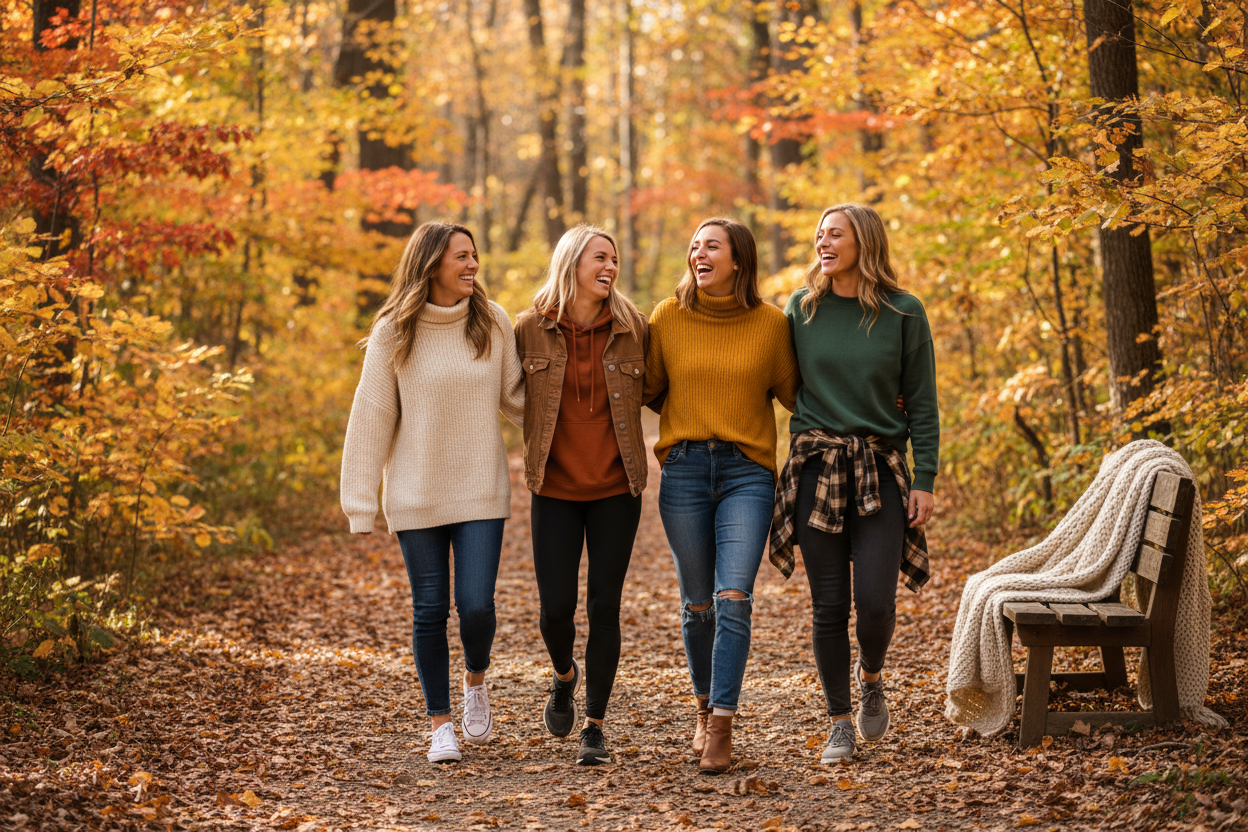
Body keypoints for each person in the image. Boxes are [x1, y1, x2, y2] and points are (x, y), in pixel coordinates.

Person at [340, 221, 524, 764]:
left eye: (474, 255)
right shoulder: (394, 331)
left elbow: (518, 400)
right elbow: (371, 416)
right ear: (430, 265)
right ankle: (440, 723)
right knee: (428, 609)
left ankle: (475, 681)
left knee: (475, 606)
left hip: (479, 490)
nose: (472, 266)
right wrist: (360, 504)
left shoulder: (491, 322)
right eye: (461, 257)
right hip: (415, 492)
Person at [769, 203, 939, 764]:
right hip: (817, 466)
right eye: (819, 233)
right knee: (827, 607)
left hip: (880, 469)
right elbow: (776, 377)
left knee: (875, 602)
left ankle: (872, 675)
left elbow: (921, 403)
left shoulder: (904, 312)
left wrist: (926, 478)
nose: (823, 241)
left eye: (834, 234)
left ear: (863, 241)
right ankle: (839, 720)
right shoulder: (801, 308)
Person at [643, 218, 799, 774]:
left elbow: (800, 396)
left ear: (739, 260)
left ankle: (723, 725)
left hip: (747, 474)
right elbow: (647, 389)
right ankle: (703, 706)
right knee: (698, 604)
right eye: (693, 246)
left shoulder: (771, 324)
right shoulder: (667, 317)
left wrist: (882, 394)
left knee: (733, 594)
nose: (697, 253)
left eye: (711, 245)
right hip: (683, 472)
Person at [514, 225, 650, 766]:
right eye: (600, 257)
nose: (610, 267)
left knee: (604, 606)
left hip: (618, 487)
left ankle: (594, 723)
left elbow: (665, 385)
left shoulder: (635, 327)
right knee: (555, 610)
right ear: (572, 262)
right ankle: (564, 675)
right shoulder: (529, 329)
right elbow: (500, 389)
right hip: (555, 488)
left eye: (614, 258)